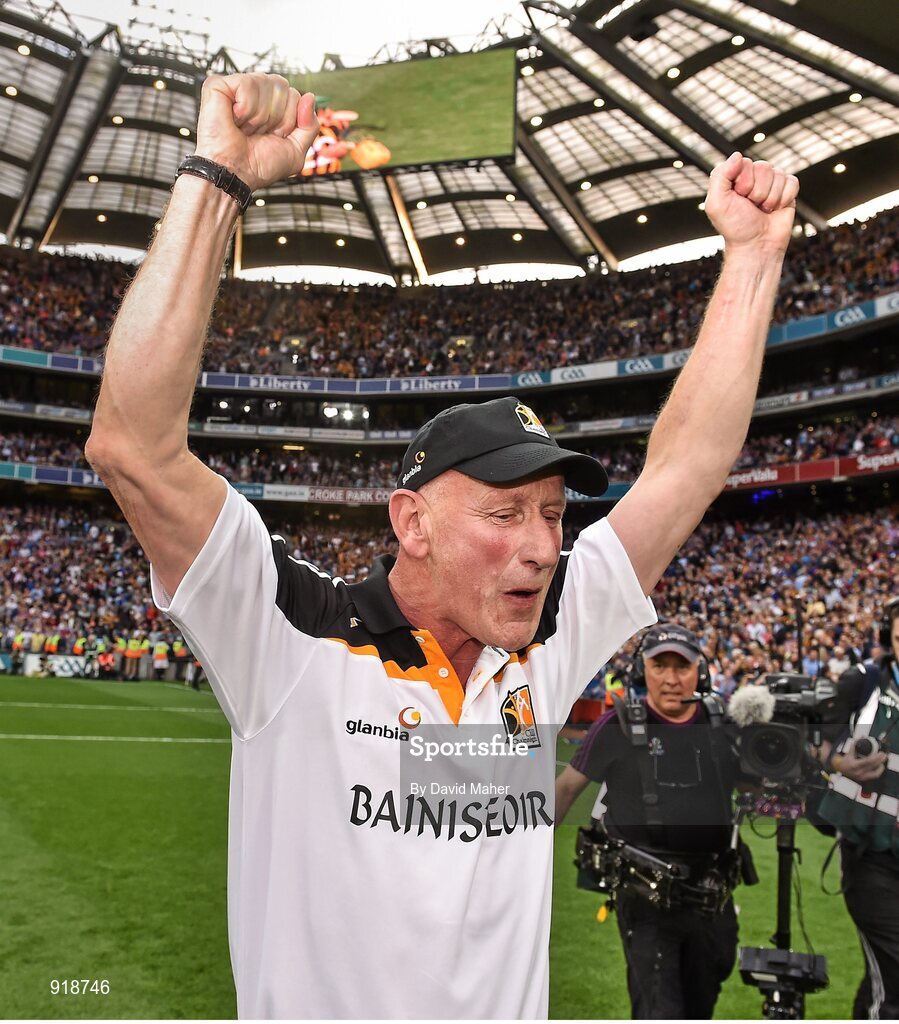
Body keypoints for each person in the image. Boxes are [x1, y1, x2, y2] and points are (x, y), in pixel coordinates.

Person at [84, 71, 799, 1018]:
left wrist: (751, 259)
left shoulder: (543, 647)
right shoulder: (293, 638)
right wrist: (219, 176)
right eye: (504, 516)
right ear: (410, 523)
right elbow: (130, 445)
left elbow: (687, 466)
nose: (542, 549)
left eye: (552, 515)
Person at [555, 623, 743, 1019]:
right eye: (660, 666)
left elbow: (763, 784)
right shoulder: (616, 728)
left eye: (682, 667)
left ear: (700, 672)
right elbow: (563, 793)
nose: (672, 679)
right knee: (659, 1008)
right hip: (645, 897)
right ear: (643, 671)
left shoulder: (723, 727)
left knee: (700, 1006)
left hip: (712, 894)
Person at [816, 596, 899, 1019]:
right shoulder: (862, 681)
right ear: (889, 639)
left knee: (881, 977)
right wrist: (838, 762)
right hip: (869, 853)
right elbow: (815, 741)